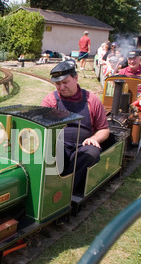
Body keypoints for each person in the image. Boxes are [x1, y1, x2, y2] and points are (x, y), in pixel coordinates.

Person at [41, 60, 110, 194]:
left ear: (76, 78)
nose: (61, 87)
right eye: (57, 84)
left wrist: (95, 138)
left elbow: (104, 129)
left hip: (83, 145)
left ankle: (67, 191)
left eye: (65, 82)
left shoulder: (92, 100)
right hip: (60, 144)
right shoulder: (50, 100)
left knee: (91, 153)